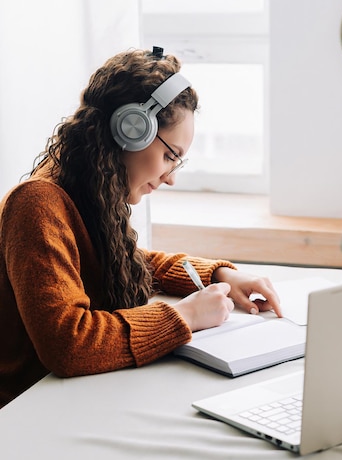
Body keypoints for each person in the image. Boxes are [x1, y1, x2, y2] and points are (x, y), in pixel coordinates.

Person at [0, 47, 281, 409]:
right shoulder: (36, 204)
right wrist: (184, 316)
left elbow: (128, 261)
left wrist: (219, 275)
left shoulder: (87, 189)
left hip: (72, 400)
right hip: (26, 414)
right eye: (169, 156)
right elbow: (68, 345)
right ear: (130, 129)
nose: (171, 178)